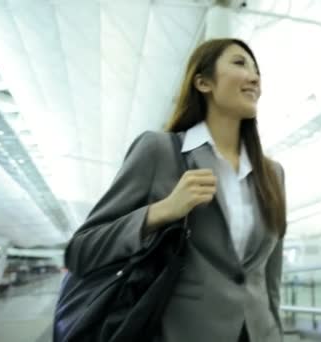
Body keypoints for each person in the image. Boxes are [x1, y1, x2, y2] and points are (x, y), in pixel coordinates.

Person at [64, 38, 287, 342]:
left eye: (256, 70)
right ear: (203, 82)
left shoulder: (272, 174)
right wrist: (160, 212)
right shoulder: (160, 151)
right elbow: (81, 251)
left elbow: (271, 274)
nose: (254, 77)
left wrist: (277, 330)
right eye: (239, 63)